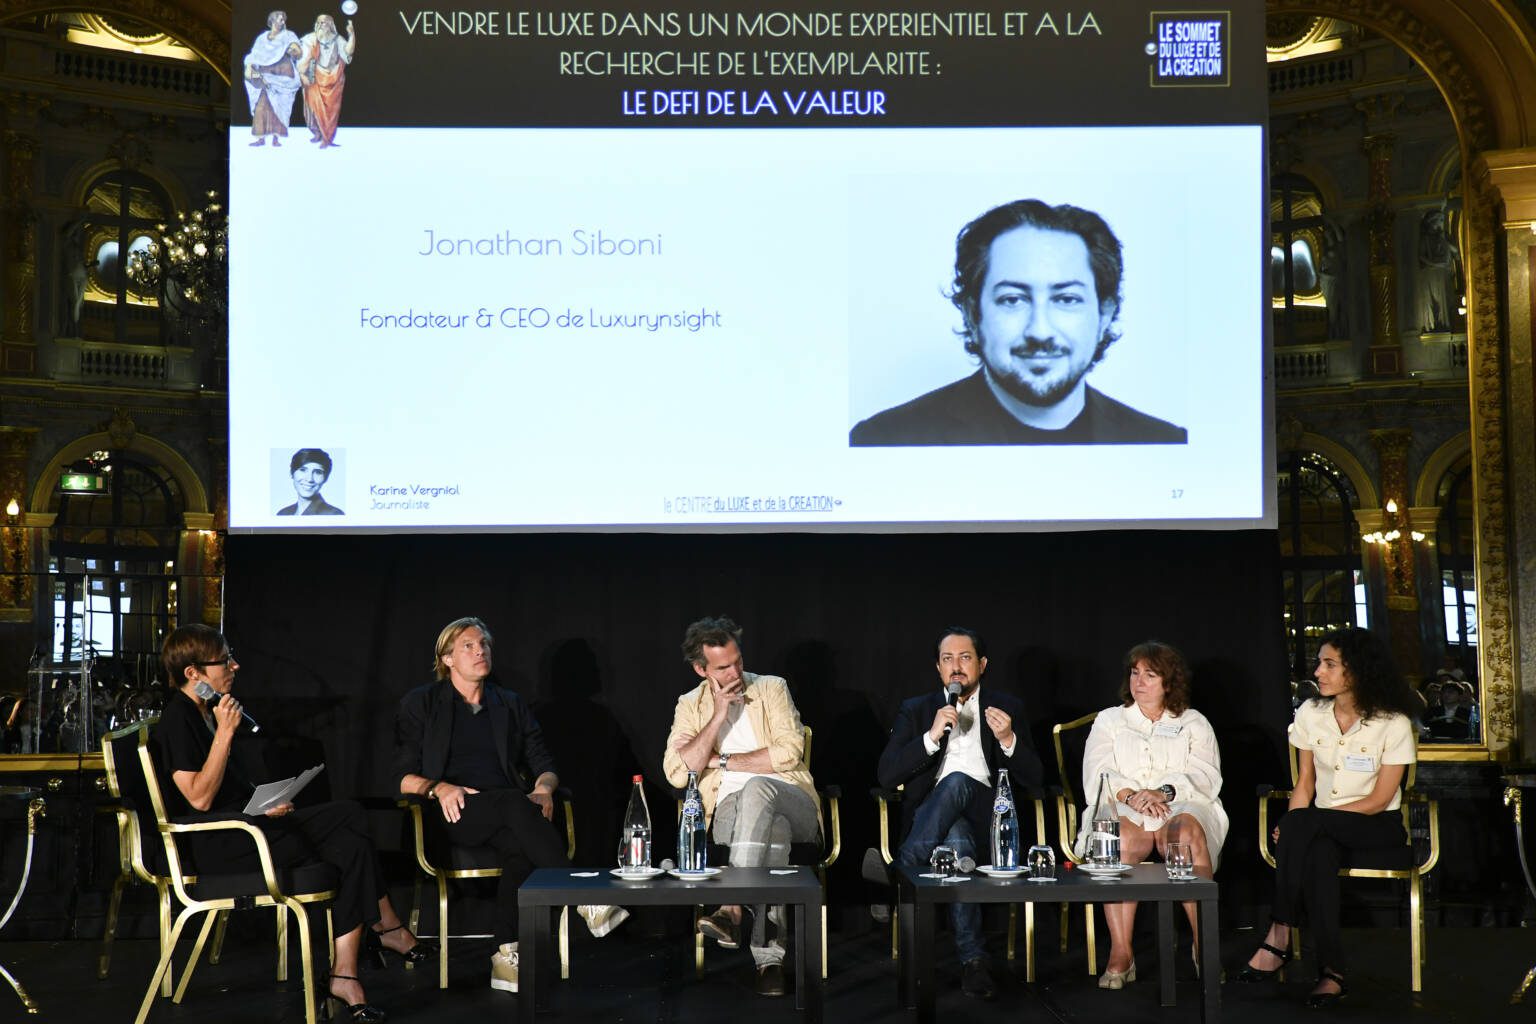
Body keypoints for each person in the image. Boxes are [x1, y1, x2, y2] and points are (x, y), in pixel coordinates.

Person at [156, 624, 428, 1023]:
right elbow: (199, 798)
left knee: (351, 846)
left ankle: (345, 975)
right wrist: (225, 734)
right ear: (193, 673)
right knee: (350, 814)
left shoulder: (205, 713)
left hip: (246, 827)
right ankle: (386, 926)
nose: (235, 666)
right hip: (221, 845)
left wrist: (264, 804)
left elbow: (229, 792)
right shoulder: (178, 719)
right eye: (224, 661)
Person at [394, 617, 626, 993]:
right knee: (513, 803)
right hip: (452, 812)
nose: (480, 651)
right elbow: (401, 777)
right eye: (468, 646)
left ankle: (505, 954)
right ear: (447, 659)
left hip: (507, 812)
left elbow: (544, 764)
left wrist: (545, 789)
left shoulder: (508, 703)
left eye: (484, 644)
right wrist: (439, 788)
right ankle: (581, 897)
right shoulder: (423, 702)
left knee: (520, 844)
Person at [849, 199, 1187, 446]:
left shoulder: (1165, 443)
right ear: (972, 313)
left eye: (1066, 299)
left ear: (1105, 315)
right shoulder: (884, 440)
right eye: (1013, 300)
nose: (1040, 331)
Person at [1237, 626, 1419, 1008]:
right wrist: (1299, 823)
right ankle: (1332, 972)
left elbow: (1379, 799)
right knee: (1318, 853)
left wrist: (1300, 824)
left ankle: (1279, 934)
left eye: (1329, 664)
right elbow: (1304, 783)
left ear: (1357, 669)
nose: (1318, 671)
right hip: (1320, 828)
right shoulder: (1311, 713)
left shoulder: (1393, 722)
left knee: (1306, 828)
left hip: (1376, 826)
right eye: (1319, 663)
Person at [876, 627, 1043, 1000]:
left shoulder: (1007, 707)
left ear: (982, 665)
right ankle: (974, 961)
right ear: (938, 667)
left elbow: (1036, 778)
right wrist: (931, 737)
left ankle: (901, 869)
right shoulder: (917, 709)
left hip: (989, 814)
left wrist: (1008, 740)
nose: (956, 667)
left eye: (965, 658)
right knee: (957, 842)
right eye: (947, 659)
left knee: (957, 781)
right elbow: (886, 775)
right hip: (933, 819)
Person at [663, 616, 822, 998]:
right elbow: (677, 772)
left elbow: (789, 752)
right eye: (723, 667)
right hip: (728, 813)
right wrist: (718, 715)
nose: (735, 672)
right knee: (773, 832)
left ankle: (732, 906)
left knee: (758, 789)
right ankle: (769, 961)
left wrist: (720, 760)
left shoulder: (771, 687)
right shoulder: (690, 705)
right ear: (701, 669)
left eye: (738, 661)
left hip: (791, 798)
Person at [1075, 641, 1227, 989]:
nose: (1139, 681)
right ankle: (1121, 951)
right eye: (1134, 673)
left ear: (1169, 682)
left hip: (1181, 803)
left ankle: (1204, 945)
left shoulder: (1193, 722)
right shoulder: (1110, 720)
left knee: (1184, 833)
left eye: (1150, 675)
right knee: (1117, 836)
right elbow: (1098, 772)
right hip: (1125, 803)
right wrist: (1133, 796)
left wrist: (1164, 792)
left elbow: (1206, 776)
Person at [242, 11, 302, 146]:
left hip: (282, 73)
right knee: (262, 105)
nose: (283, 22)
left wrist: (294, 51)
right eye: (280, 20)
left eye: (284, 20)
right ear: (272, 21)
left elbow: (298, 52)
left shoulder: (288, 35)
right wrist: (250, 66)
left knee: (280, 105)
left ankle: (276, 138)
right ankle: (260, 138)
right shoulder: (262, 38)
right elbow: (254, 56)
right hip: (265, 74)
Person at [298, 14, 355, 149]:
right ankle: (317, 133)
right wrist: (302, 73)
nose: (324, 25)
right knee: (312, 109)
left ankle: (327, 138)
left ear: (331, 24)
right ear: (317, 24)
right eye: (322, 22)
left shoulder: (337, 39)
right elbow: (302, 59)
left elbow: (347, 52)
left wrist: (351, 35)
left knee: (330, 112)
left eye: (327, 22)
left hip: (333, 80)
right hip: (314, 78)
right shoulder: (310, 39)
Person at [276, 448, 344, 516]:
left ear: (326, 478)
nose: (309, 479)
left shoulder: (334, 514)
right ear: (291, 473)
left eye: (318, 472)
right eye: (303, 470)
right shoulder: (283, 513)